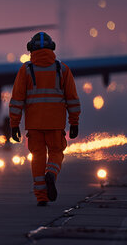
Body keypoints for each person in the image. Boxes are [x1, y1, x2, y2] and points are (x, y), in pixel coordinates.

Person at [8, 32, 81, 206]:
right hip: (55, 124)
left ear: (30, 49)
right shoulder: (62, 69)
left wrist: (14, 124)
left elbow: (17, 99)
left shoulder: (26, 70)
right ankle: (51, 173)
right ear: (52, 48)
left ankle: (41, 197)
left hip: (34, 125)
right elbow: (72, 98)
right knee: (56, 152)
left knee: (37, 157)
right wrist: (74, 122)